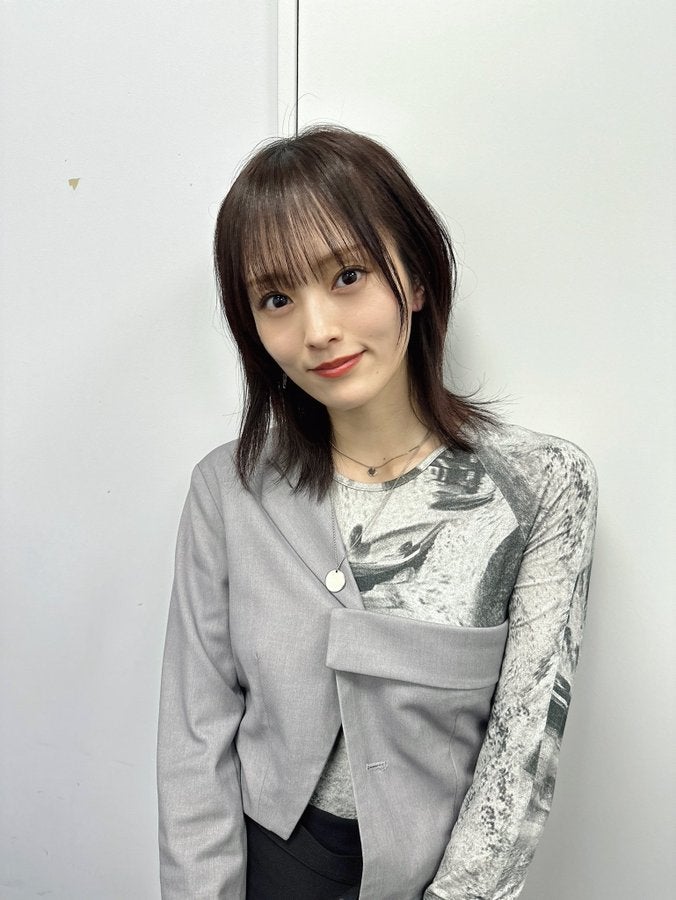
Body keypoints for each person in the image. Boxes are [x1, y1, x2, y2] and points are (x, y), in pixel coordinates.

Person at [157, 125, 598, 900]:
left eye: (349, 275)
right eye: (276, 298)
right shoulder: (227, 489)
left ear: (416, 278)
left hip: (436, 876)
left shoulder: (541, 485)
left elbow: (521, 757)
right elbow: (196, 740)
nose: (317, 330)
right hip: (268, 867)